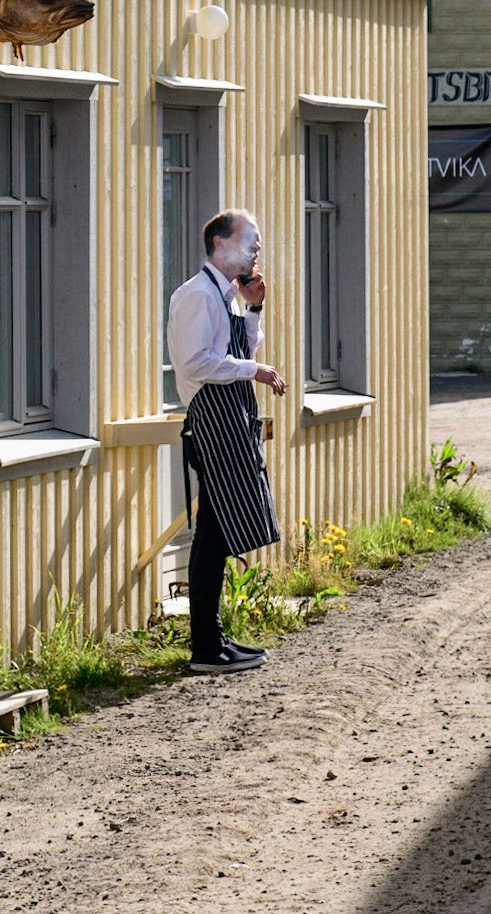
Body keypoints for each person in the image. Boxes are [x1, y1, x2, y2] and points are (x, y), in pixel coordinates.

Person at [166, 208, 288, 674]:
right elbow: (198, 364)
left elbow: (239, 352)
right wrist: (252, 370)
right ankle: (205, 648)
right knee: (213, 535)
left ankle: (213, 639)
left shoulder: (229, 296)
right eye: (250, 240)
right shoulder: (196, 295)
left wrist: (254, 309)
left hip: (234, 415)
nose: (257, 249)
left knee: (219, 533)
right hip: (211, 419)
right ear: (220, 244)